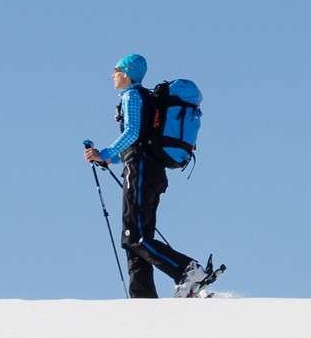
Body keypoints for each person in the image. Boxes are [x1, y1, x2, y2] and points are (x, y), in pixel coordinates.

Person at [84, 52, 216, 298]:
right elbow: (140, 139)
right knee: (133, 239)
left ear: (127, 72)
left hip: (141, 170)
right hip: (148, 169)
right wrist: (109, 159)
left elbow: (133, 133)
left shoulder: (132, 96)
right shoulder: (142, 98)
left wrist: (105, 153)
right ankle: (143, 301)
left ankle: (187, 269)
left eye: (116, 69)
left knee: (135, 236)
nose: (112, 74)